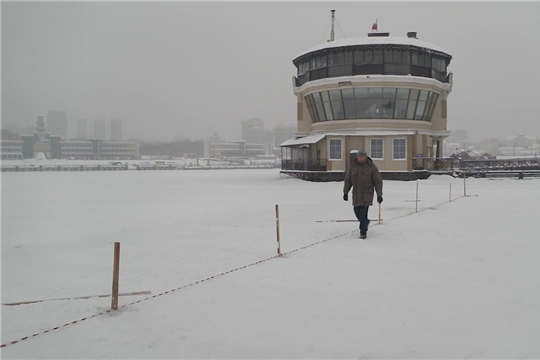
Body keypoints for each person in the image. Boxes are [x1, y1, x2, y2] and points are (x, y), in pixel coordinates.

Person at [343, 149, 383, 239]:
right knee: (357, 211)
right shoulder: (352, 167)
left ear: (365, 157)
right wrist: (345, 192)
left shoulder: (371, 167)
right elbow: (348, 180)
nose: (360, 159)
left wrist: (379, 194)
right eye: (359, 157)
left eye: (362, 157)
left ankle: (363, 232)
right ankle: (365, 222)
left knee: (363, 212)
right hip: (356, 194)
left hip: (366, 194)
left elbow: (377, 181)